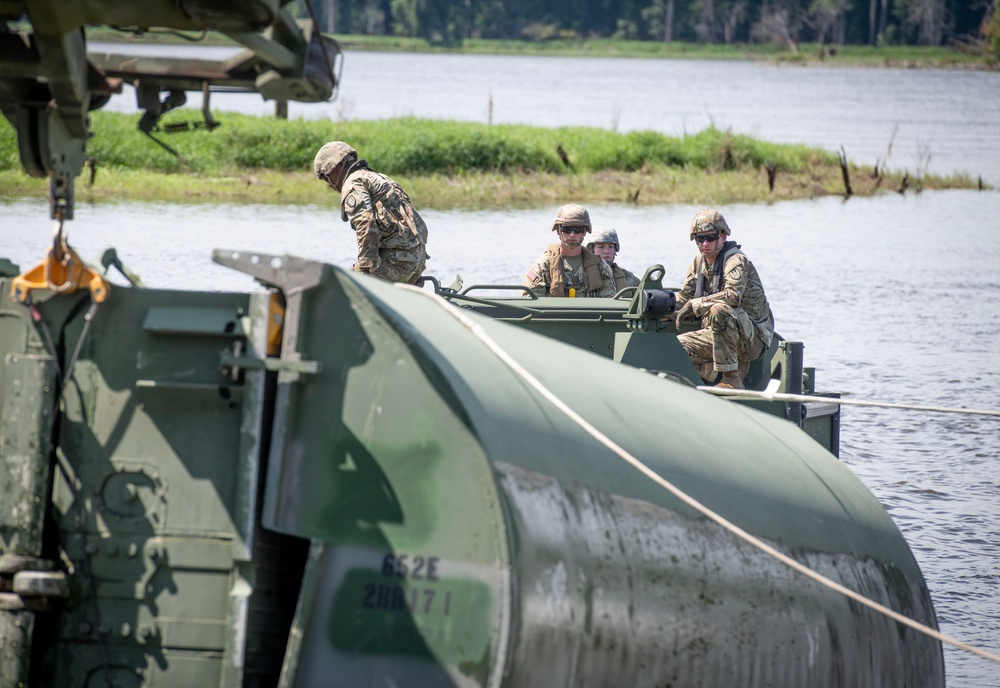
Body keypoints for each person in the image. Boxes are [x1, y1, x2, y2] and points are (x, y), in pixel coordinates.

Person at [674, 209, 774, 390]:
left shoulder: (735, 260)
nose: (704, 244)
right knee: (677, 346)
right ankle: (711, 376)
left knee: (719, 309)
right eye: (699, 239)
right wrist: (659, 304)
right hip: (719, 334)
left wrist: (699, 303)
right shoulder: (699, 263)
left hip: (751, 339)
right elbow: (684, 298)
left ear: (723, 235)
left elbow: (733, 296)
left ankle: (731, 378)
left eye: (710, 238)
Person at [313, 141, 428, 284]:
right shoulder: (376, 177)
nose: (330, 185)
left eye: (326, 178)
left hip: (397, 261)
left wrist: (365, 269)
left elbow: (365, 223)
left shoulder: (353, 183)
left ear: (333, 169)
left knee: (343, 287)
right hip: (416, 258)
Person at [522, 204, 616, 297]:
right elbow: (531, 303)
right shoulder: (544, 265)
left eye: (577, 229)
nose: (572, 235)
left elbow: (609, 304)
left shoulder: (599, 266)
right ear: (558, 230)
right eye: (567, 229)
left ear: (584, 231)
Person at [586, 226, 641, 292]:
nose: (606, 251)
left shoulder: (627, 277)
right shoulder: (582, 275)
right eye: (601, 247)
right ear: (591, 249)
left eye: (610, 247)